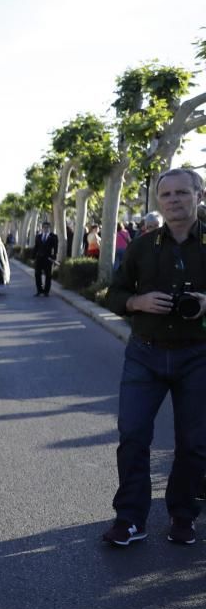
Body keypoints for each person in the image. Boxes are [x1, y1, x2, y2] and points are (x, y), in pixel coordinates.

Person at [101, 168, 206, 547]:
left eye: (182, 192)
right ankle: (130, 518)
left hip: (198, 355)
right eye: (167, 194)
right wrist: (136, 301)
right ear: (157, 201)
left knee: (194, 442)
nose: (174, 200)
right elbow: (112, 294)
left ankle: (183, 515)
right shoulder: (142, 247)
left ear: (199, 195)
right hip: (144, 354)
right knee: (132, 435)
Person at [32, 220, 59, 296]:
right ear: (42, 228)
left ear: (49, 228)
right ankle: (39, 290)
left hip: (48, 259)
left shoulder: (53, 236)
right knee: (37, 274)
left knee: (48, 275)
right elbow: (36, 247)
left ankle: (46, 291)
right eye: (44, 227)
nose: (45, 229)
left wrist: (54, 257)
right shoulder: (38, 236)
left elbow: (55, 248)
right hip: (39, 259)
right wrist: (33, 256)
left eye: (47, 227)